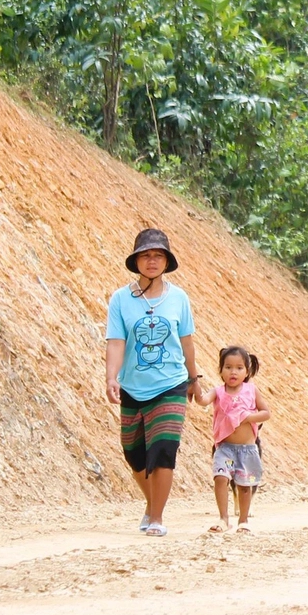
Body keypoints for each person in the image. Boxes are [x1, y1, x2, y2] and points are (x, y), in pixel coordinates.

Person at [104, 228, 200, 536]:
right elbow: (116, 342)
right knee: (133, 453)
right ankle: (151, 503)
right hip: (133, 385)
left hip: (171, 383)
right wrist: (111, 377)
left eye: (158, 255)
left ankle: (157, 518)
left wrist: (193, 378)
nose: (152, 261)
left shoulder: (179, 298)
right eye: (145, 255)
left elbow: (186, 342)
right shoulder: (120, 299)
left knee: (162, 449)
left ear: (167, 261)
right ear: (136, 261)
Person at [206, 346, 271, 533]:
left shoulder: (251, 391)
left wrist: (248, 417)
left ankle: (243, 521)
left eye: (239, 368)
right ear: (220, 370)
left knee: (245, 485)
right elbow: (203, 400)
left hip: (247, 450)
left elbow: (266, 413)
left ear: (247, 371)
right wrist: (193, 386)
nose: (233, 372)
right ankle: (223, 519)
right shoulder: (218, 392)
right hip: (225, 448)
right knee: (221, 477)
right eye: (228, 367)